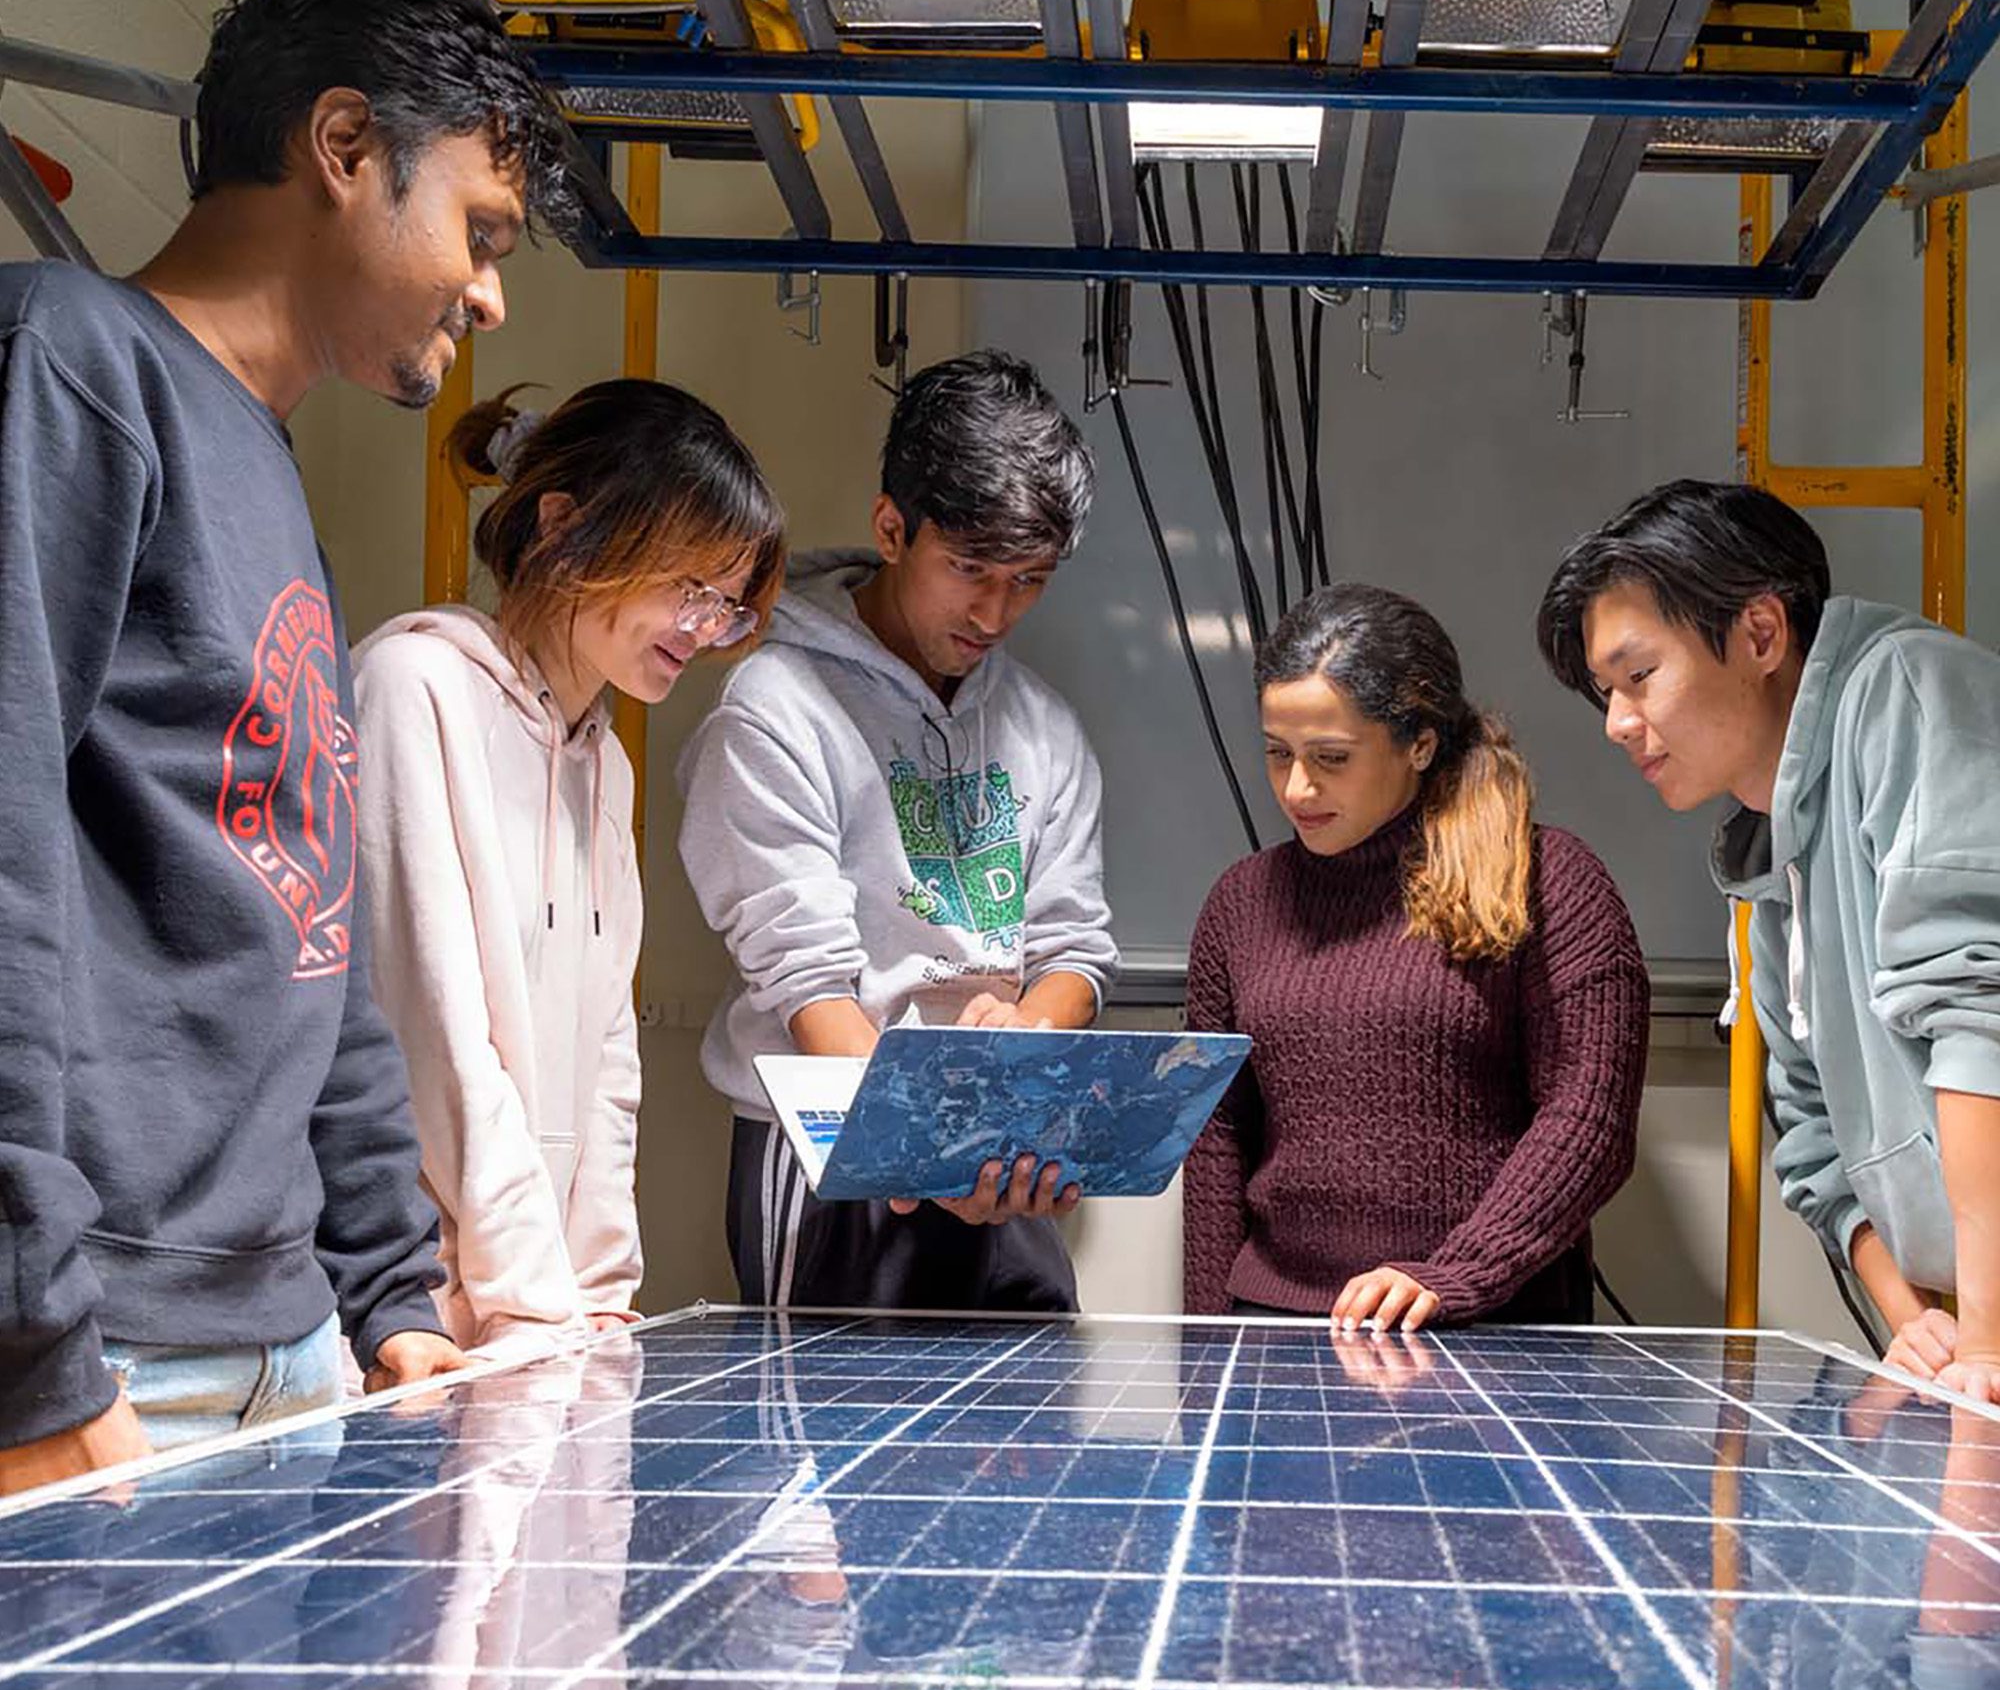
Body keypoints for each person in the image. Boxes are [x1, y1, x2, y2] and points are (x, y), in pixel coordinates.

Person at [0, 0, 572, 1458]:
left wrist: (391, 1286)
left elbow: (310, 921)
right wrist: (33, 1348)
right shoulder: (69, 362)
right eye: (480, 229)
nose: (491, 290)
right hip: (110, 1357)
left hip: (296, 1345)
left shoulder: (268, 472)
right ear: (342, 147)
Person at [1538, 479, 2000, 1407]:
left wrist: (1982, 1349)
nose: (1618, 722)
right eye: (1605, 692)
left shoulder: (1904, 692)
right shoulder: (1764, 851)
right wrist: (1917, 1324)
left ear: (1759, 634)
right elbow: (1814, 1141)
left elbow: (1980, 1017)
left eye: (1639, 675)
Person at [677, 349, 1119, 1314]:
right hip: (833, 1148)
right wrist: (930, 1141)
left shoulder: (1045, 728)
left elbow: (1075, 950)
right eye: (968, 569)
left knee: (1033, 1444)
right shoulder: (774, 709)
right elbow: (806, 981)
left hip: (1002, 1155)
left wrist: (1028, 1036)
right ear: (892, 527)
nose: (995, 611)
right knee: (840, 1454)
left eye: (1029, 579)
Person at [351, 382, 784, 1356]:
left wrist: (598, 1298)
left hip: (532, 1315)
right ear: (562, 527)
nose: (702, 627)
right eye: (688, 586)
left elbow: (606, 1064)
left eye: (723, 603)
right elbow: (438, 1041)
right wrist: (532, 1305)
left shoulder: (606, 761)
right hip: (406, 1307)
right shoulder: (412, 688)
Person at [1183, 582, 1649, 1331]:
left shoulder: (1549, 878)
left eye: (1331, 757)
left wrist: (1460, 1272)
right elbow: (1214, 1140)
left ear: (1420, 744)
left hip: (1489, 1322)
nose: (1297, 786)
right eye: (1277, 753)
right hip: (1279, 1321)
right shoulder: (1240, 904)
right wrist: (1207, 1349)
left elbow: (1589, 1115)